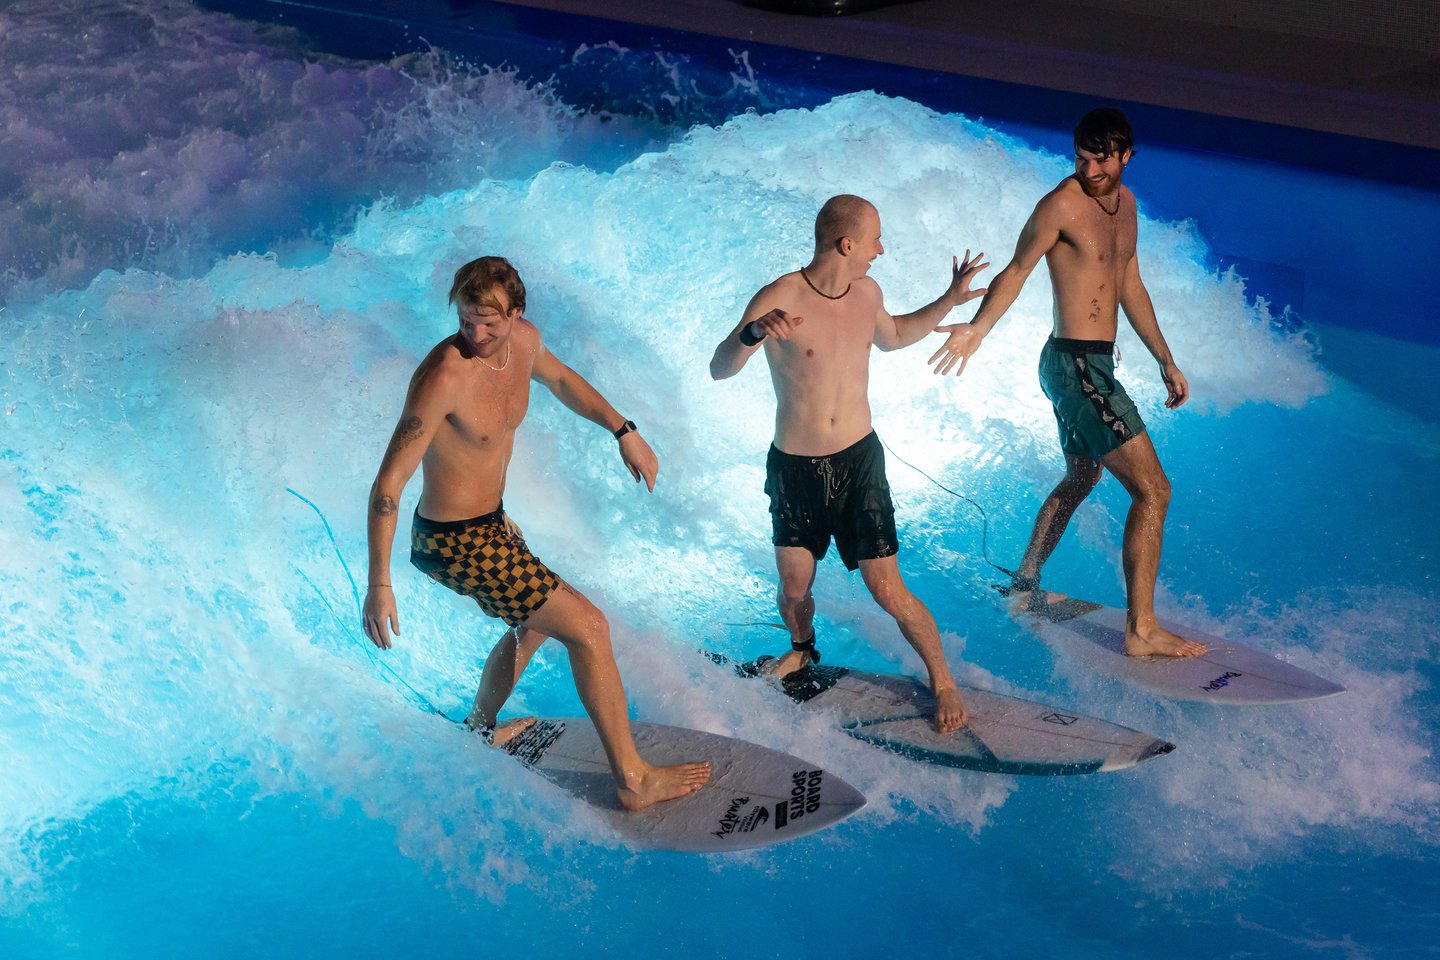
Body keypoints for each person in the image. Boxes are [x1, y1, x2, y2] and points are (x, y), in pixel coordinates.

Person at [362, 255, 712, 810]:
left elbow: (563, 380)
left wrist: (623, 430)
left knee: (536, 624)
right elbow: (388, 484)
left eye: (489, 324)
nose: (476, 335)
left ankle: (479, 728)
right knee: (590, 628)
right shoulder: (443, 376)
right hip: (454, 542)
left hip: (490, 524)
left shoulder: (524, 343)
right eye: (466, 321)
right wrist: (379, 583)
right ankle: (634, 782)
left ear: (516, 314)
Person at [927, 108, 1206, 658]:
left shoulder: (1127, 206)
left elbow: (1129, 283)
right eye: (1081, 159)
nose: (1090, 170)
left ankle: (1025, 579)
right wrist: (978, 328)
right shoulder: (1060, 205)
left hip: (1087, 365)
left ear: (1126, 156)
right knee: (1154, 490)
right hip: (1075, 366)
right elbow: (1016, 270)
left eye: (1101, 160)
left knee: (1082, 476)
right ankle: (1141, 630)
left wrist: (1165, 359)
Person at [710, 195, 989, 733]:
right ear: (847, 244)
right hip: (795, 468)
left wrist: (950, 299)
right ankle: (801, 649)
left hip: (859, 462)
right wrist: (752, 333)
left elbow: (895, 336)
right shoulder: (779, 297)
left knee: (887, 588)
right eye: (874, 240)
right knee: (795, 586)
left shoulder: (867, 293)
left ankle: (943, 680)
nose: (880, 250)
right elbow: (720, 369)